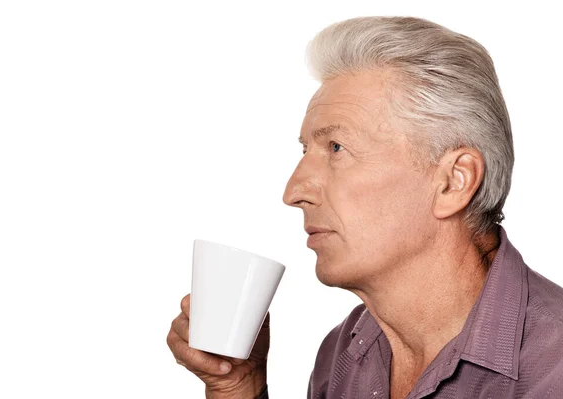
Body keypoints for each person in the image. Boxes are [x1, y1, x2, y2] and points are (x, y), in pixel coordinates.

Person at [167, 16, 563, 398]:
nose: (294, 191)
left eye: (336, 147)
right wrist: (239, 387)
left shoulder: (553, 369)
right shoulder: (348, 350)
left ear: (452, 182)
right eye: (306, 150)